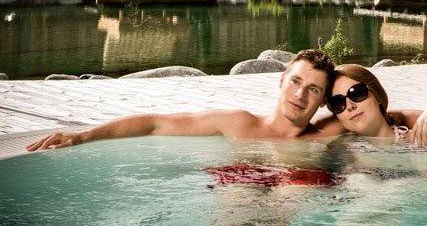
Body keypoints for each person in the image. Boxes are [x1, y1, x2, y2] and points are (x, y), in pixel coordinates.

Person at [26, 49, 336, 151]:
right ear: (281, 81)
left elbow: (363, 110)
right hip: (240, 195)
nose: (300, 94)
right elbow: (154, 124)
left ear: (324, 100)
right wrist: (82, 136)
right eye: (296, 82)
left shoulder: (324, 134)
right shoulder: (238, 123)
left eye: (313, 89)